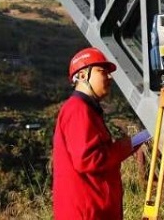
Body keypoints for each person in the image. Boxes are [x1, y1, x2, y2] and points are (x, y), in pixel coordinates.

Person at [52, 47, 141, 219]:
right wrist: (128, 145)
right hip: (88, 212)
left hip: (95, 210)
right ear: (83, 75)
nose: (109, 77)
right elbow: (89, 160)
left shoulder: (87, 109)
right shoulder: (77, 109)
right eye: (102, 71)